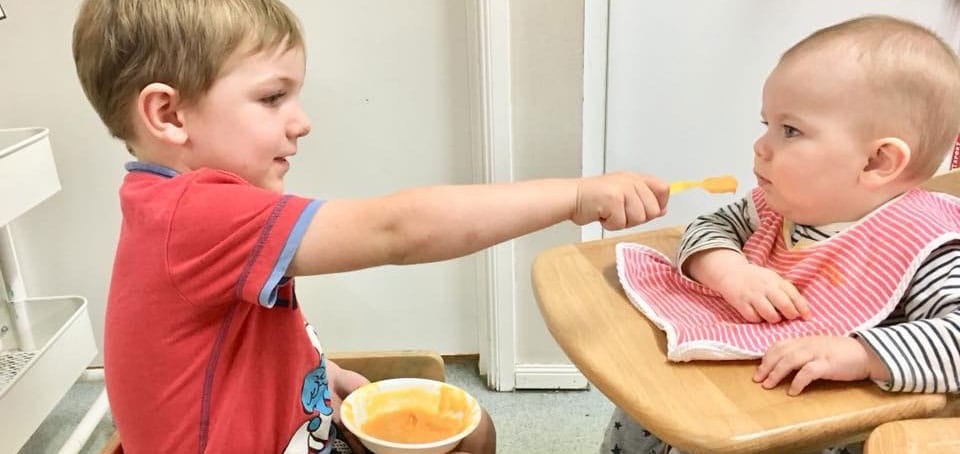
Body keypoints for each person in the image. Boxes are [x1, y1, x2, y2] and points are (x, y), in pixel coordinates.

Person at [71, 0, 669, 452]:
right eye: (273, 98)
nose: (301, 122)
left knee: (471, 429)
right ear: (168, 114)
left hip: (293, 420)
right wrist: (574, 195)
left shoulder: (167, 204)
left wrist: (316, 370)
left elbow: (229, 336)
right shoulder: (196, 213)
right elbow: (398, 230)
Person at [602, 15, 960, 454]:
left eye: (789, 130)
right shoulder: (780, 205)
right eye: (766, 124)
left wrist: (860, 355)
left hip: (806, 429)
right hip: (713, 399)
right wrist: (730, 271)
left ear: (877, 162)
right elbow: (706, 228)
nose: (761, 145)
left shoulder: (924, 245)